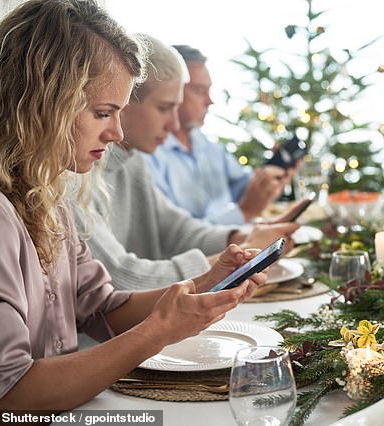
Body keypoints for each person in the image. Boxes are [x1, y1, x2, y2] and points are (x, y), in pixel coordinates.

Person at [0, 0, 264, 413]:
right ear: (42, 101)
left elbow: (103, 307)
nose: (116, 133)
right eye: (102, 113)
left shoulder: (45, 195)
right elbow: (6, 401)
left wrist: (208, 282)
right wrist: (158, 333)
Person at [71, 35, 299, 291]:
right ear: (125, 102)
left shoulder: (132, 161)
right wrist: (235, 256)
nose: (174, 125)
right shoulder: (74, 173)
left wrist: (240, 238)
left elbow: (176, 230)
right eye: (164, 108)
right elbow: (120, 278)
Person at [145, 45, 292, 225]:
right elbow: (174, 237)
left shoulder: (208, 146)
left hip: (239, 242)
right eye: (199, 90)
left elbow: (244, 188)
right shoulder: (149, 156)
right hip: (213, 250)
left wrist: (271, 178)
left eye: (209, 90)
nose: (210, 101)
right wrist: (244, 212)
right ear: (174, 91)